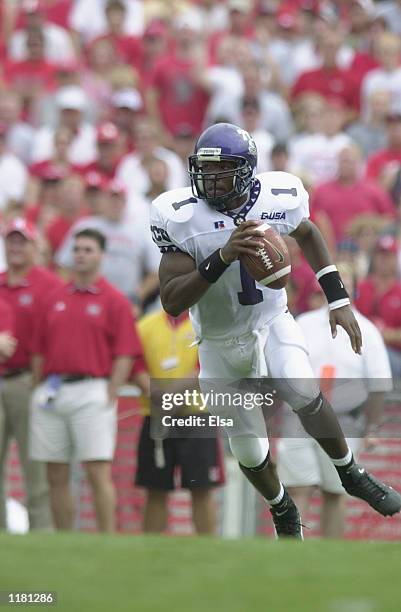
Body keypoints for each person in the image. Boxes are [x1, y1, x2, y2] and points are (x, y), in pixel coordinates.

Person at [150, 122, 401, 539]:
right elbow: (172, 301)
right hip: (218, 340)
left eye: (222, 170)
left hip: (270, 321)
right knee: (249, 447)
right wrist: (224, 256)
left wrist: (338, 300)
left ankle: (351, 473)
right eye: (204, 170)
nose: (210, 180)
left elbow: (309, 233)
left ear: (246, 171)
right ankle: (281, 507)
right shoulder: (179, 216)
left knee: (302, 388)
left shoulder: (278, 195)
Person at [30, 228, 142, 532]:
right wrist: (38, 386)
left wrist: (111, 391)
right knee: (54, 472)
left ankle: (106, 540)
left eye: (88, 249)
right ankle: (64, 539)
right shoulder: (54, 297)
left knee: (97, 469)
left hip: (93, 389)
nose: (80, 254)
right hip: (52, 389)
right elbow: (39, 350)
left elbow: (125, 353)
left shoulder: (114, 300)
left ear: (101, 256)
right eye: (77, 249)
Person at [277, 264, 393, 538]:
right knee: (298, 488)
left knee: (336, 490)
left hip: (344, 421)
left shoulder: (367, 329)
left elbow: (379, 384)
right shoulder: (303, 323)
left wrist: (371, 429)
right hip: (300, 417)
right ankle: (292, 553)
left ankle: (330, 553)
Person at [135, 309, 224, 535]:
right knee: (155, 488)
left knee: (201, 488)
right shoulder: (146, 325)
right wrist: (153, 392)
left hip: (196, 416)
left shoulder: (207, 323)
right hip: (156, 418)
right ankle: (150, 552)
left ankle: (208, 551)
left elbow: (208, 364)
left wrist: (172, 396)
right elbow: (136, 365)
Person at [0, 218, 61, 531]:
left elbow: (59, 333)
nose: (15, 247)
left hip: (28, 381)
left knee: (34, 465)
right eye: (11, 240)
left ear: (33, 246)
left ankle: (42, 536)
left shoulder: (49, 285)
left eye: (21, 241)